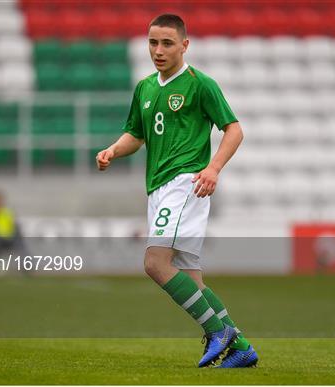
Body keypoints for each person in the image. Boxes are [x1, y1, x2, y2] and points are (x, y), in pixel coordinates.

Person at [96, 14, 258, 368]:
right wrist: (112, 149)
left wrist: (213, 168)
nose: (158, 50)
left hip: (185, 184)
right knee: (189, 278)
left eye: (167, 43)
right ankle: (242, 347)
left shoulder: (200, 85)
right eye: (153, 42)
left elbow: (234, 130)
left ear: (185, 45)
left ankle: (218, 332)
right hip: (157, 189)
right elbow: (136, 136)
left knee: (155, 264)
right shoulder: (145, 88)